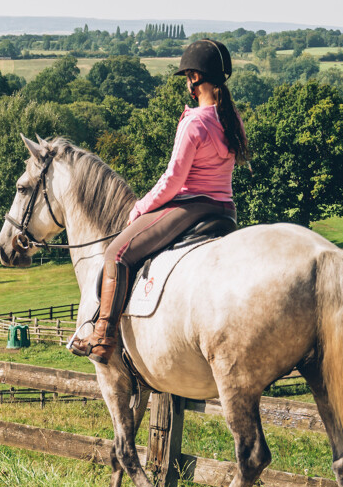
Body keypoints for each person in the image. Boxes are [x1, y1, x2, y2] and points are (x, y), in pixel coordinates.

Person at [71, 39, 248, 361]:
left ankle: (102, 337)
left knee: (116, 254)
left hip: (190, 206)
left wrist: (140, 207)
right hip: (226, 209)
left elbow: (173, 180)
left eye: (186, 76)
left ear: (195, 77)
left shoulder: (195, 121)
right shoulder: (231, 117)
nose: (186, 82)